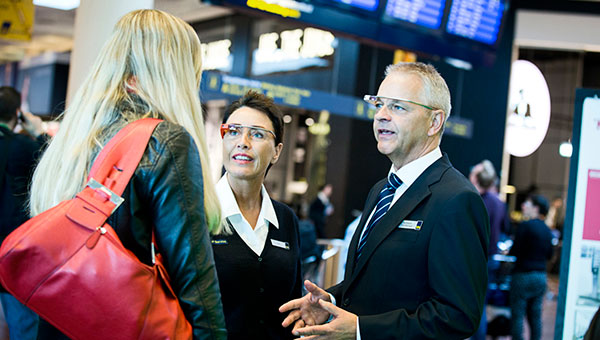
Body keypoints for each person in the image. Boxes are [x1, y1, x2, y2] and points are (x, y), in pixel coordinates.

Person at [28, 10, 226, 339]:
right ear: (176, 73)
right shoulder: (165, 142)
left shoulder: (76, 136)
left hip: (61, 322)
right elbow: (195, 278)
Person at [280, 61, 490, 339]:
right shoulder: (381, 190)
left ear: (434, 122)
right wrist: (329, 302)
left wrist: (359, 330)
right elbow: (374, 284)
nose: (381, 115)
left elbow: (457, 316)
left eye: (397, 106)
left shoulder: (456, 200)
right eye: (379, 104)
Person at [211, 90, 302, 339]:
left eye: (257, 134)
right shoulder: (198, 212)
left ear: (276, 151)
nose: (243, 142)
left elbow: (295, 305)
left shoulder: (285, 220)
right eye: (234, 131)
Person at [0, 86, 47, 339]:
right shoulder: (24, 147)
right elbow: (56, 165)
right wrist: (39, 132)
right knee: (23, 325)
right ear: (17, 114)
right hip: (11, 249)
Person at [468, 159, 510, 340]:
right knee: (481, 305)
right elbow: (505, 229)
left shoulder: (471, 200)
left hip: (472, 260)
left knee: (469, 304)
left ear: (476, 178)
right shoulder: (499, 203)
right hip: (490, 260)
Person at [509, 194, 553, 340]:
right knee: (535, 316)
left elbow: (515, 250)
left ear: (536, 208)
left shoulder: (525, 226)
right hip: (540, 276)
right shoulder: (547, 230)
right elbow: (549, 254)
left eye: (527, 204)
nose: (523, 206)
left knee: (518, 315)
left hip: (522, 275)